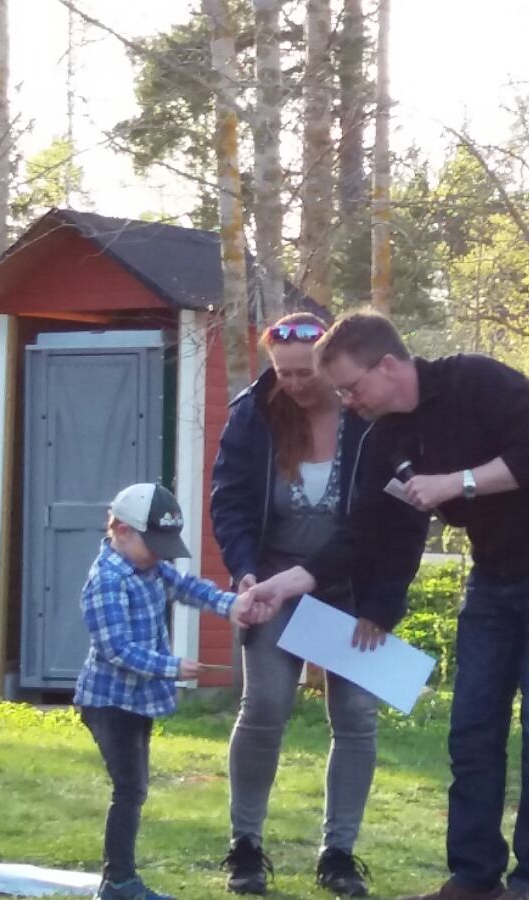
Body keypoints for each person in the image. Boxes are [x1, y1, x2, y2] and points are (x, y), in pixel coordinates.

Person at [244, 311, 529, 900]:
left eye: (352, 387)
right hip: (493, 577)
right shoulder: (387, 439)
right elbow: (364, 532)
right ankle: (474, 877)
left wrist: (454, 483)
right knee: (472, 731)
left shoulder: (478, 381)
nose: (348, 402)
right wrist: (285, 585)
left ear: (387, 366)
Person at [210, 311, 401, 897]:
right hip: (275, 585)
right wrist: (245, 570)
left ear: (328, 364)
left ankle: (338, 854)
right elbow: (230, 501)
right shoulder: (254, 415)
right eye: (282, 373)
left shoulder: (367, 417)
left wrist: (381, 604)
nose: (292, 384)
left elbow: (395, 520)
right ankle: (245, 846)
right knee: (265, 704)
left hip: (350, 591)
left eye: (304, 373)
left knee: (357, 716)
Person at [75, 482, 252, 900]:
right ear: (121, 531)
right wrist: (171, 668)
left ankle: (119, 880)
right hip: (108, 703)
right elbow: (116, 649)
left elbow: (188, 588)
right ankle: (118, 883)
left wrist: (231, 605)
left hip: (136, 702)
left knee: (134, 788)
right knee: (129, 789)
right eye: (153, 545)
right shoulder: (107, 580)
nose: (159, 555)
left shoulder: (150, 569)